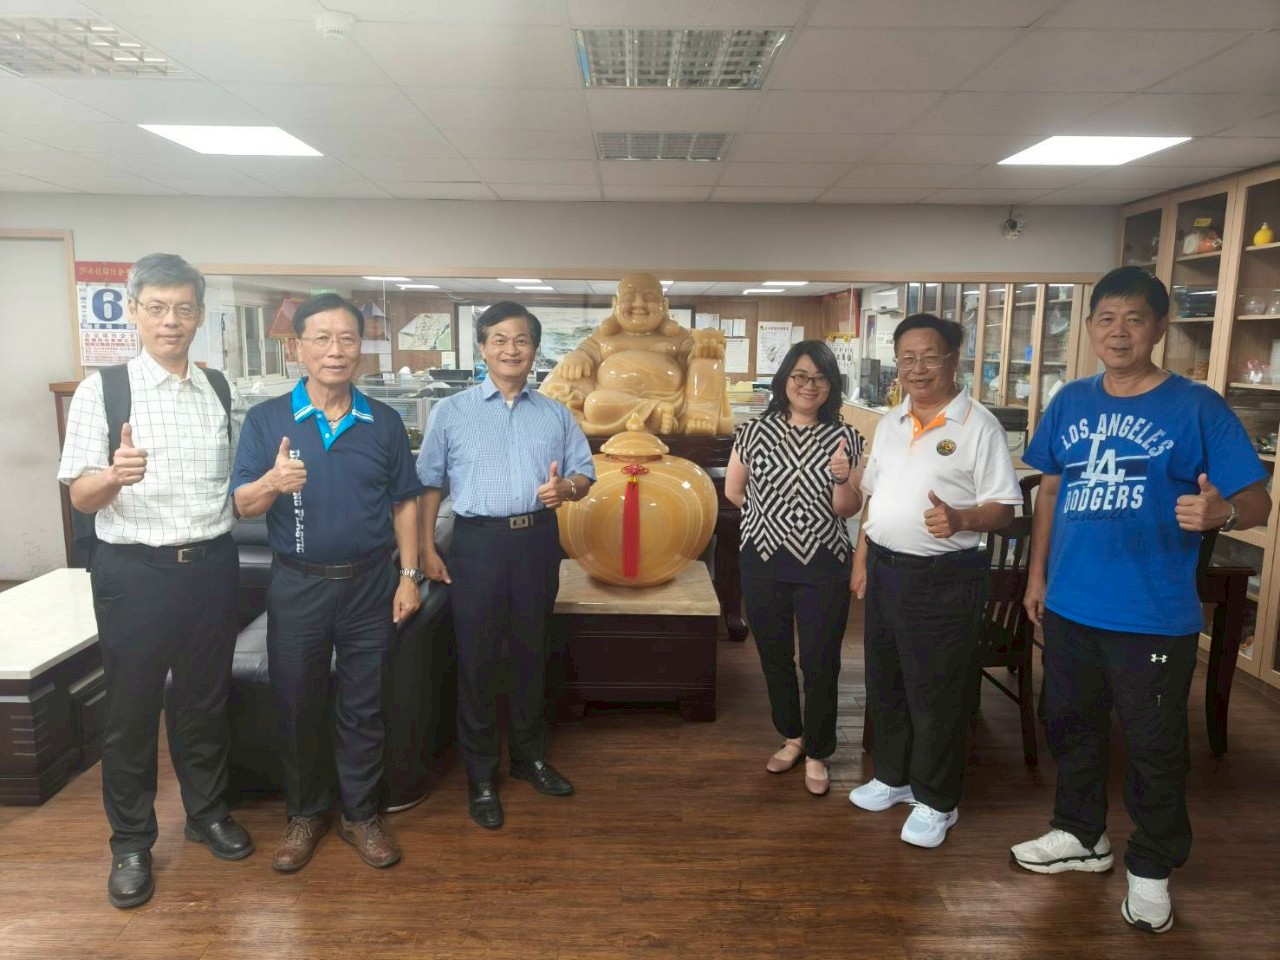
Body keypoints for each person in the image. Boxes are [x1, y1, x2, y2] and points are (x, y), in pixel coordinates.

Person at [1011, 267, 1270, 934]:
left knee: (1155, 747)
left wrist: (1223, 513)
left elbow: (1257, 499)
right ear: (1090, 328)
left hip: (1151, 613)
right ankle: (1080, 835)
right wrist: (1037, 578)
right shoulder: (1070, 400)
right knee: (1069, 723)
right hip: (1070, 606)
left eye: (1134, 318)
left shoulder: (1197, 406)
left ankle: (1152, 868)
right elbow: (1050, 491)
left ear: (1159, 327)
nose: (1119, 331)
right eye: (1106, 318)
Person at [58, 252, 252, 909]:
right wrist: (114, 475)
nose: (171, 320)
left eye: (183, 308)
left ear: (199, 315)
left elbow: (231, 486)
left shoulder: (217, 388)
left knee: (204, 702)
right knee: (131, 712)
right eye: (158, 308)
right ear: (134, 311)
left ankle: (207, 814)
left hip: (212, 566)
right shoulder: (104, 390)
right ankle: (132, 843)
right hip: (135, 573)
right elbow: (81, 497)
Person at [232, 293, 425, 872]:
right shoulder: (267, 420)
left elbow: (405, 504)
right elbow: (242, 505)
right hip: (298, 585)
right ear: (298, 348)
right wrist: (272, 481)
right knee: (297, 703)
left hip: (370, 584)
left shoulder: (383, 421)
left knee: (365, 705)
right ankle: (305, 813)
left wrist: (408, 576)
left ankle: (361, 815)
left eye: (347, 338)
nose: (335, 350)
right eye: (321, 338)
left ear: (360, 348)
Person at [417, 301, 595, 830]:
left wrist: (567, 489)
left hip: (536, 541)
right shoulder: (452, 412)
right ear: (482, 348)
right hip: (476, 543)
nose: (510, 349)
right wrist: (426, 548)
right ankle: (479, 774)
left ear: (534, 350)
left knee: (531, 650)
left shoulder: (555, 413)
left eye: (520, 340)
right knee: (476, 659)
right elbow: (429, 483)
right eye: (499, 339)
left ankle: (529, 757)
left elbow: (585, 475)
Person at [849, 313, 1021, 848]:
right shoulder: (890, 422)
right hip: (885, 568)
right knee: (887, 681)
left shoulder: (979, 426)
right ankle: (893, 777)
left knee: (937, 691)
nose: (917, 368)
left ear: (953, 360)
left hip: (943, 577)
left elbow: (1005, 509)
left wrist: (962, 518)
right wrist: (861, 558)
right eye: (907, 358)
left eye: (929, 357)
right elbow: (874, 497)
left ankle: (937, 800)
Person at [725, 341, 864, 796]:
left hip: (825, 564)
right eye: (800, 376)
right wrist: (772, 522)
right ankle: (793, 736)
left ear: (831, 385)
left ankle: (820, 751)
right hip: (762, 561)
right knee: (774, 656)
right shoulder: (752, 432)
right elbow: (734, 491)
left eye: (819, 378)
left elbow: (848, 509)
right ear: (784, 378)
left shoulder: (846, 438)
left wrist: (841, 478)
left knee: (820, 661)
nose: (809, 385)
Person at [540, 271, 734, 435]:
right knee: (594, 404)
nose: (639, 304)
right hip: (616, 402)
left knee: (708, 362)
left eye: (649, 298)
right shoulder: (602, 337)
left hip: (674, 402)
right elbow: (584, 351)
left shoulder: (680, 337)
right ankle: (654, 413)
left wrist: (707, 346)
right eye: (629, 298)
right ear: (615, 304)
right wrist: (577, 357)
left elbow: (696, 357)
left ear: (664, 305)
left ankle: (699, 415)